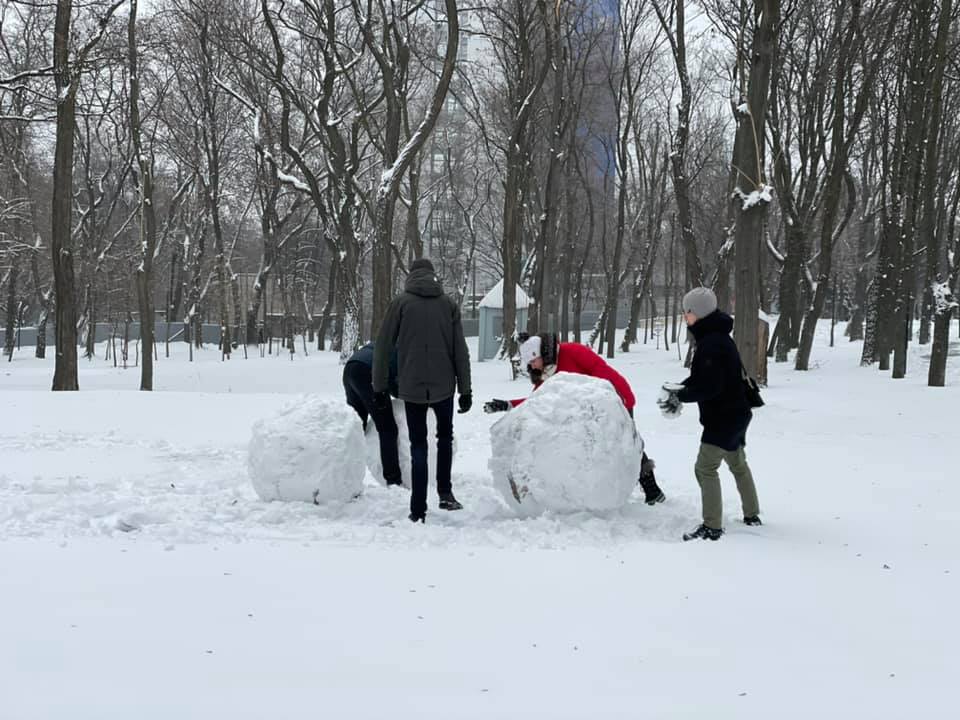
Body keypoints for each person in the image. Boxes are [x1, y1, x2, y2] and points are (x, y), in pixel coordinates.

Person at [483, 332, 666, 506]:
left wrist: (616, 402)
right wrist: (507, 405)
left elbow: (603, 372)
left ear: (542, 354)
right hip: (587, 413)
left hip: (616, 400)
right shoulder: (546, 374)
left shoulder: (573, 352)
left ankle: (652, 491)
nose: (532, 366)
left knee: (627, 445)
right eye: (529, 363)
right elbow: (536, 403)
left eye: (533, 361)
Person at [373, 258, 472, 523]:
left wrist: (380, 386)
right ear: (433, 275)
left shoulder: (400, 303)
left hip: (412, 385)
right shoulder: (448, 304)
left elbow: (382, 347)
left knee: (418, 443)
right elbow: (460, 350)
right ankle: (445, 492)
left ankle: (418, 508)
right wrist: (466, 389)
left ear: (411, 275)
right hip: (444, 386)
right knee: (445, 437)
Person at [658, 287, 760, 542]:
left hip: (723, 418)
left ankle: (712, 526)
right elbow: (703, 378)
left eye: (687, 312)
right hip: (737, 414)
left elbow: (709, 387)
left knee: (704, 468)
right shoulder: (717, 338)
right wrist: (681, 387)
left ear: (698, 313)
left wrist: (680, 396)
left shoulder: (711, 343)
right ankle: (752, 514)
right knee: (738, 464)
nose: (685, 317)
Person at [343, 342, 402, 486]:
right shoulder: (407, 352)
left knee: (356, 427)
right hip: (369, 372)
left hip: (351, 367)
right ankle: (393, 480)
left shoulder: (388, 338)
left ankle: (344, 475)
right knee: (387, 428)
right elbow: (398, 385)